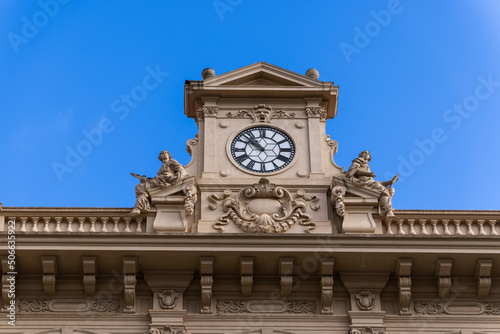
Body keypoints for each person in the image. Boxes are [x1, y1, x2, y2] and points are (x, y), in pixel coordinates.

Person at [130, 151, 187, 215]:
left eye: (166, 153)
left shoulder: (171, 161)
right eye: (162, 154)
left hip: (164, 180)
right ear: (160, 157)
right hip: (159, 180)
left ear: (169, 155)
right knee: (139, 186)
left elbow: (183, 172)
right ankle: (144, 205)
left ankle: (138, 208)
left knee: (141, 187)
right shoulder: (163, 165)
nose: (164, 155)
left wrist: (174, 179)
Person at [345, 150, 399, 217]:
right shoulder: (358, 161)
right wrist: (368, 173)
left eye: (368, 153)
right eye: (365, 153)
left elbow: (376, 182)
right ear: (361, 154)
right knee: (383, 190)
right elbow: (354, 170)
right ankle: (388, 211)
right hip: (364, 181)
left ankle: (386, 207)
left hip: (370, 181)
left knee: (391, 190)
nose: (367, 154)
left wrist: (390, 182)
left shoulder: (366, 164)